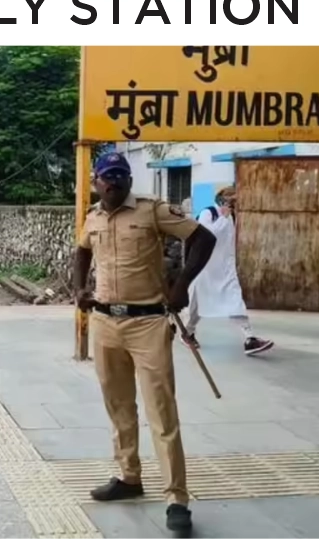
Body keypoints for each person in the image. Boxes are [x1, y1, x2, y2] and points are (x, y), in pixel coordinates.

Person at [74, 152, 216, 533]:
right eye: (108, 176)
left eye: (121, 175)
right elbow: (82, 250)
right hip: (105, 322)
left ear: (129, 180)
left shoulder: (152, 210)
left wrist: (182, 284)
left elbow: (203, 238)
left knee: (161, 411)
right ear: (96, 182)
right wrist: (79, 288)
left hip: (148, 323)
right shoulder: (93, 216)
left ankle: (176, 498)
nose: (114, 182)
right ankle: (129, 477)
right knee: (118, 405)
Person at [182, 187, 274, 356]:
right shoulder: (209, 213)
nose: (234, 204)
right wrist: (222, 218)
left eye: (235, 201)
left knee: (235, 300)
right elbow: (206, 235)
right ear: (222, 199)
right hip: (205, 269)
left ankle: (250, 339)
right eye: (232, 200)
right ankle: (187, 332)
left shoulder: (231, 217)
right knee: (197, 304)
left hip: (225, 270)